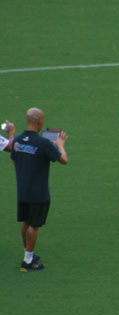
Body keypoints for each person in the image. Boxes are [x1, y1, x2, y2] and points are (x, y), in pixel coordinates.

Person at [11, 108, 68, 272]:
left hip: (22, 191)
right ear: (39, 122)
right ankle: (27, 262)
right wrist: (60, 145)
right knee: (34, 226)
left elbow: (15, 161)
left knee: (26, 222)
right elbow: (63, 160)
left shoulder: (18, 140)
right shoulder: (43, 143)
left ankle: (28, 254)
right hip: (38, 192)